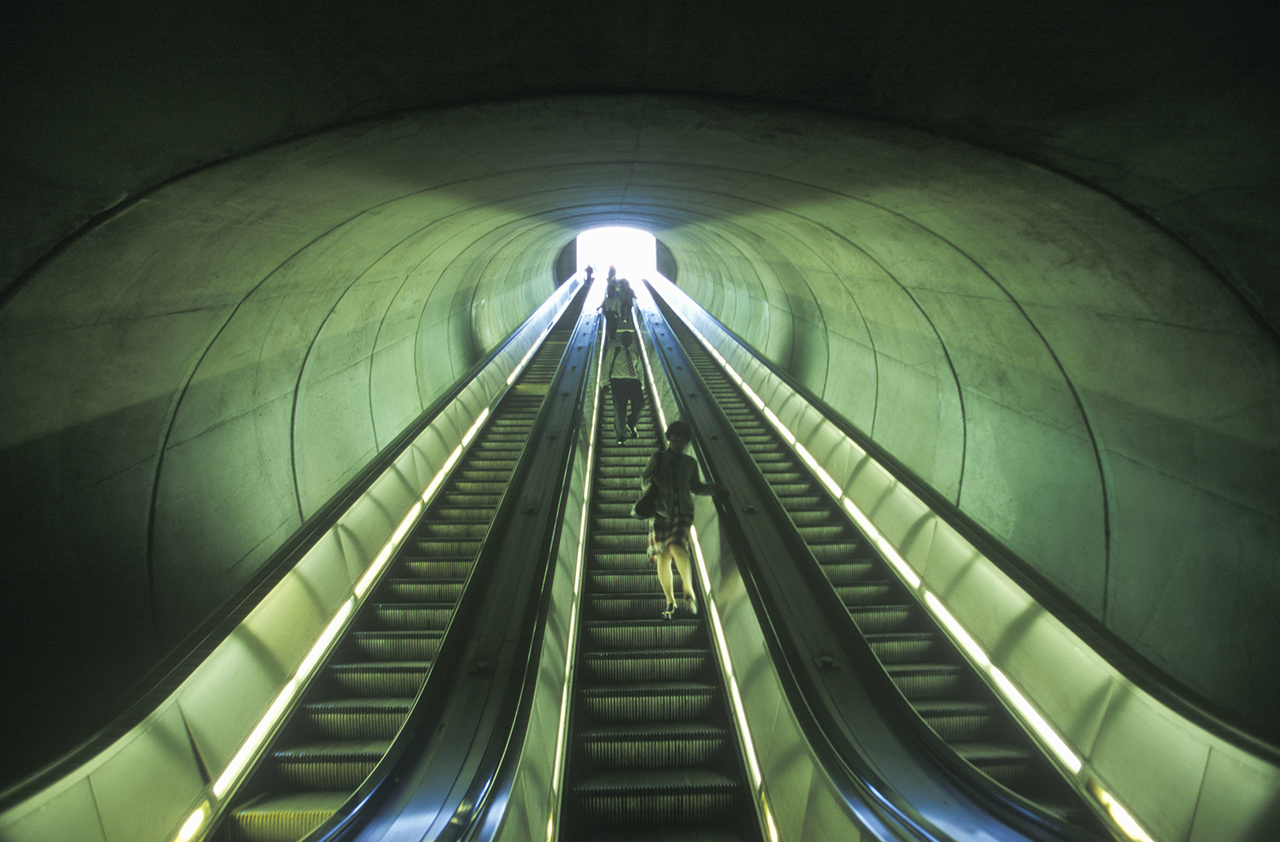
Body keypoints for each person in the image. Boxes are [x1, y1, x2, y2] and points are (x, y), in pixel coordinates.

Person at [642, 420, 729, 619]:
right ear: (669, 439)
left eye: (682, 442)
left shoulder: (690, 463)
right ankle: (670, 601)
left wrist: (713, 487)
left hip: (682, 513)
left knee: (677, 546)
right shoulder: (658, 458)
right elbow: (644, 479)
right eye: (674, 441)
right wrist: (656, 481)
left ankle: (689, 594)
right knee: (663, 555)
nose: (677, 444)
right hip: (660, 512)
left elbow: (696, 487)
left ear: (686, 442)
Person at [604, 330, 644, 444]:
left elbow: (640, 369)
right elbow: (606, 366)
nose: (627, 340)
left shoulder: (635, 353)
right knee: (620, 410)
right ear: (621, 339)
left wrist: (642, 383)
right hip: (618, 383)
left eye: (629, 339)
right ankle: (621, 436)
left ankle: (631, 424)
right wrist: (604, 384)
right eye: (625, 338)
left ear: (631, 341)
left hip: (634, 383)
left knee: (640, 404)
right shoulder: (614, 351)